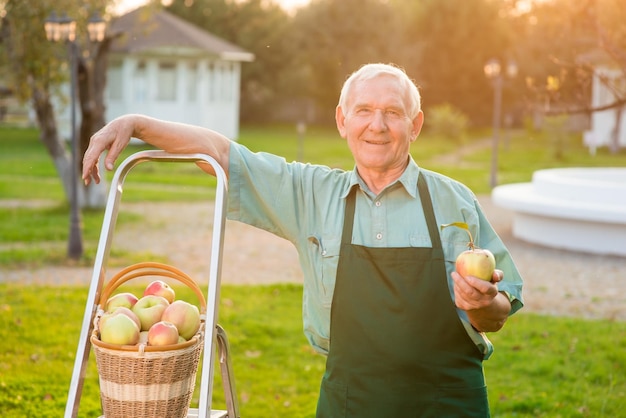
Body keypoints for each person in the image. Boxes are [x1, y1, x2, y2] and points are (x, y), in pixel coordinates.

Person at [83, 63, 523, 417]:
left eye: (393, 112)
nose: (378, 125)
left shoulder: (455, 202)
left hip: (448, 403)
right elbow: (219, 153)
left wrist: (483, 304)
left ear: (416, 125)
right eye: (364, 110)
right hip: (352, 403)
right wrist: (136, 123)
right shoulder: (309, 194)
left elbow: (498, 312)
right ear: (342, 120)